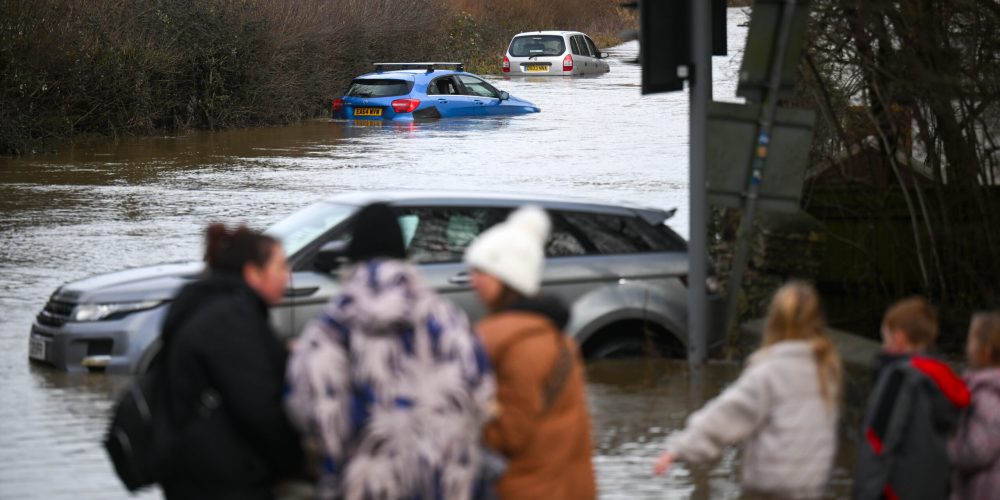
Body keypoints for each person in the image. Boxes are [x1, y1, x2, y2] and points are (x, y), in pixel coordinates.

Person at [283, 203, 495, 500]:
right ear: (404, 255)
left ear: (352, 256)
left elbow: (302, 409)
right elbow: (484, 398)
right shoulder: (450, 322)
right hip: (442, 486)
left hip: (363, 486)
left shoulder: (330, 329)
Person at [653, 281, 842, 500]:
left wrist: (679, 448)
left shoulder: (769, 371)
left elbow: (728, 413)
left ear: (775, 321)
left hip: (772, 488)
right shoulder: (827, 370)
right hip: (813, 486)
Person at [158, 224, 304, 500]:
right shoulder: (232, 319)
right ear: (253, 273)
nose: (288, 276)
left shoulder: (207, 304)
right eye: (281, 267)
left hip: (191, 470)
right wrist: (294, 463)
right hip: (222, 479)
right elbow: (259, 408)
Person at [463, 205, 597, 500]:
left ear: (507, 278)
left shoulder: (510, 342)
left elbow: (508, 433)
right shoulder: (557, 339)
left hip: (522, 489)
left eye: (481, 272)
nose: (472, 280)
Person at [853, 297, 971, 500]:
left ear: (899, 338)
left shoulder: (899, 378)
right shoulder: (942, 382)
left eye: (885, 338)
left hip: (894, 491)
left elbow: (878, 440)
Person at [949, 311, 1000, 499]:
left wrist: (945, 451)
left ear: (985, 351)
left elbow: (979, 450)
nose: (966, 347)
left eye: (971, 340)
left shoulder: (988, 394)